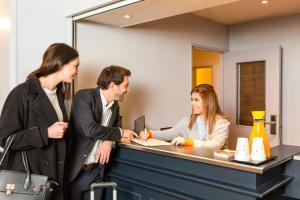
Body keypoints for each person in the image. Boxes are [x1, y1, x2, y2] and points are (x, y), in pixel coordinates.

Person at [0, 43, 79, 200]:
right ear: (61, 64)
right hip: (30, 181)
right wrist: (46, 133)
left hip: (55, 179)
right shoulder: (21, 93)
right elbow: (5, 139)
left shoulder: (59, 95)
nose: (77, 71)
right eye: (75, 66)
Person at [68, 65, 137, 200]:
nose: (127, 90)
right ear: (112, 85)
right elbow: (90, 129)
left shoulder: (115, 105)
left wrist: (109, 141)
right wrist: (120, 133)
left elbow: (116, 128)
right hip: (77, 172)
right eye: (125, 85)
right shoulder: (84, 97)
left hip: (97, 172)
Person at [140, 84, 230, 150]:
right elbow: (169, 133)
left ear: (208, 102)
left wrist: (188, 142)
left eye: (196, 100)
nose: (192, 103)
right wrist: (150, 134)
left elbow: (217, 144)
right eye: (192, 100)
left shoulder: (221, 123)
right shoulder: (187, 121)